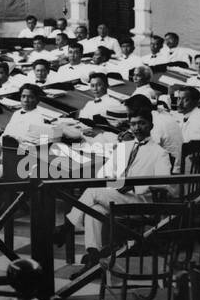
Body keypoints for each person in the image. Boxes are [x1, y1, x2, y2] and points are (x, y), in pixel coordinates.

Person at [63, 98, 171, 261]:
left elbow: (164, 183)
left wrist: (134, 187)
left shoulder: (159, 152)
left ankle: (67, 227)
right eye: (133, 124)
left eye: (141, 123)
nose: (137, 128)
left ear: (151, 125)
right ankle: (94, 255)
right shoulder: (124, 147)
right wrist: (114, 181)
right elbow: (105, 173)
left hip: (141, 201)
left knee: (92, 192)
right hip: (118, 196)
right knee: (95, 210)